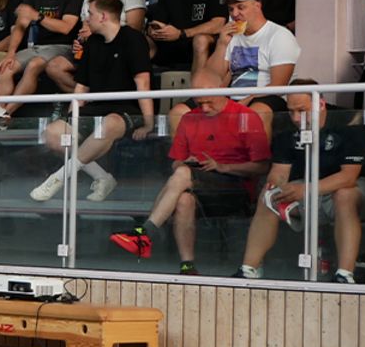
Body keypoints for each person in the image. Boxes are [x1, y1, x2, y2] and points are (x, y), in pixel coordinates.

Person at [110, 70, 272, 274]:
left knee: (183, 175)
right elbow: (175, 163)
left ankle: (146, 233)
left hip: (235, 188)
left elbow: (262, 166)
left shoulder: (245, 116)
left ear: (222, 90)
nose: (204, 108)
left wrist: (223, 167)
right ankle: (187, 265)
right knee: (183, 199)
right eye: (199, 102)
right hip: (199, 184)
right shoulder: (189, 118)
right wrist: (185, 163)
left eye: (209, 102)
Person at [234, 82, 365, 283]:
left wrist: (306, 190)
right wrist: (275, 186)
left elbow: (348, 177)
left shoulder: (348, 123)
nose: (295, 118)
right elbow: (279, 173)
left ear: (321, 104)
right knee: (267, 197)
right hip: (310, 187)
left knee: (344, 195)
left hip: (359, 187)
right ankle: (249, 269)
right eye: (291, 111)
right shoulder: (287, 131)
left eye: (302, 111)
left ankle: (345, 275)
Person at [29, 0, 154, 203]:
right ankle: (103, 178)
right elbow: (81, 86)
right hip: (95, 109)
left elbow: (143, 83)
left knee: (109, 124)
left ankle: (57, 179)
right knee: (53, 134)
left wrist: (149, 123)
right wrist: (70, 119)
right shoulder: (92, 43)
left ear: (103, 16)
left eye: (90, 14)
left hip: (127, 109)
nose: (86, 19)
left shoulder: (133, 39)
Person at [169, 0, 299, 137]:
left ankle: (258, 160)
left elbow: (278, 85)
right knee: (178, 113)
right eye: (231, 9)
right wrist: (222, 44)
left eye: (241, 7)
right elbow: (211, 76)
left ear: (257, 6)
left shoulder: (279, 35)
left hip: (265, 98)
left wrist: (246, 100)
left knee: (256, 113)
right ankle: (187, 159)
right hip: (229, 97)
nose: (235, 14)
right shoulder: (233, 36)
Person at [46, 0, 148, 93]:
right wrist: (80, 42)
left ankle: (95, 100)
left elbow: (134, 29)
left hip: (120, 50)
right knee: (54, 67)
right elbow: (84, 30)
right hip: (92, 50)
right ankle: (91, 99)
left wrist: (94, 33)